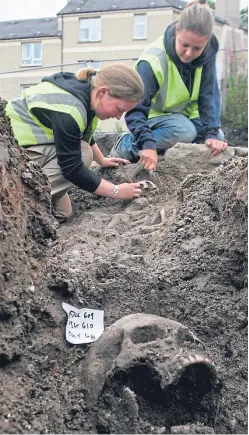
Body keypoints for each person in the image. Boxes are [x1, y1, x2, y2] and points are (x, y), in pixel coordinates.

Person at [5, 63, 144, 222]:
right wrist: (116, 191)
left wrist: (101, 160)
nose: (119, 117)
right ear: (103, 93)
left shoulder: (87, 94)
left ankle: (32, 217)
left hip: (33, 150)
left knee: (63, 212)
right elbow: (72, 168)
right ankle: (19, 202)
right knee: (84, 154)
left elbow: (82, 134)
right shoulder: (70, 109)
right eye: (119, 109)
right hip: (13, 156)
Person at [110, 0, 227, 171]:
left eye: (197, 48)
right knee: (185, 132)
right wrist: (147, 144)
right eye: (184, 45)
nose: (189, 53)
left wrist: (211, 134)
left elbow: (208, 96)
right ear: (177, 29)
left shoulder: (208, 54)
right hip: (154, 118)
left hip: (183, 118)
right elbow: (135, 111)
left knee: (218, 135)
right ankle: (127, 145)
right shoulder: (153, 60)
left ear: (207, 42)